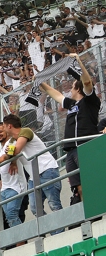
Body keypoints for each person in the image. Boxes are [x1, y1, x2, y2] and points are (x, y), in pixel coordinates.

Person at [40, 53, 100, 203]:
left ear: (78, 90)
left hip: (85, 146)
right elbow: (56, 95)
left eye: (73, 87)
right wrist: (40, 81)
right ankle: (88, 215)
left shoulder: (89, 101)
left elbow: (87, 82)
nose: (70, 90)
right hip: (70, 150)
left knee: (90, 181)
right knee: (78, 186)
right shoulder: (71, 104)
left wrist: (79, 60)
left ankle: (97, 209)